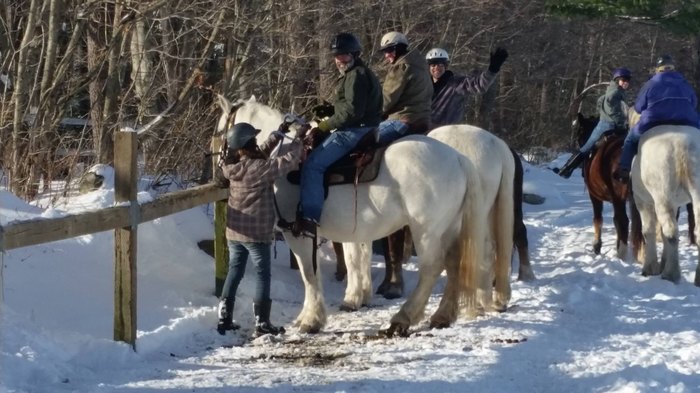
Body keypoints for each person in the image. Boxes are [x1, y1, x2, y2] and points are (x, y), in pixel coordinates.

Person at [217, 121, 305, 336]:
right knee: (262, 274)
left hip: (235, 232)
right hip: (257, 234)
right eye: (255, 141)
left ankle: (224, 318)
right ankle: (262, 322)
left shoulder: (231, 167)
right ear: (250, 143)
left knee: (235, 271)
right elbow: (288, 161)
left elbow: (259, 155)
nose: (258, 143)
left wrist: (277, 135)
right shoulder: (260, 169)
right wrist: (299, 140)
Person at [295, 32, 383, 236]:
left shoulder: (356, 76)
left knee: (312, 165)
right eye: (336, 56)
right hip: (362, 126)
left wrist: (325, 125)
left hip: (355, 130)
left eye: (343, 55)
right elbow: (349, 106)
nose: (339, 60)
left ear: (354, 54)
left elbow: (352, 112)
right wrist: (330, 111)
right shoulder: (357, 73)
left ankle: (310, 218)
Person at [614, 55, 700, 182]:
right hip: (687, 121)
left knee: (630, 140)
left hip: (654, 122)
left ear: (658, 69)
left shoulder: (651, 83)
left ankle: (624, 170)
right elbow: (694, 102)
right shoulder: (684, 83)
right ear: (672, 68)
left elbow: (638, 108)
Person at [558, 67, 632, 178]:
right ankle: (565, 170)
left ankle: (566, 170)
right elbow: (611, 106)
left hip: (607, 122)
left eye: (628, 80)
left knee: (588, 147)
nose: (626, 82)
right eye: (623, 79)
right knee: (587, 147)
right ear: (617, 80)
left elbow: (600, 101)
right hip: (608, 125)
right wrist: (620, 122)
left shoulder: (615, 90)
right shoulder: (615, 92)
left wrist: (603, 113)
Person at [426, 46, 508, 128]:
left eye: (440, 65)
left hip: (447, 133)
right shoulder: (424, 87)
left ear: (446, 66)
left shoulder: (456, 83)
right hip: (426, 133)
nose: (436, 68)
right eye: (433, 65)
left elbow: (479, 84)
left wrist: (492, 70)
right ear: (429, 68)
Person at [376, 31, 433, 145]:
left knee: (360, 139)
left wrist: (369, 113)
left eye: (389, 50)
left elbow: (386, 100)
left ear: (399, 48)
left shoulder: (401, 67)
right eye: (384, 52)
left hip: (402, 120)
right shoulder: (421, 66)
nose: (386, 55)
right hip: (423, 119)